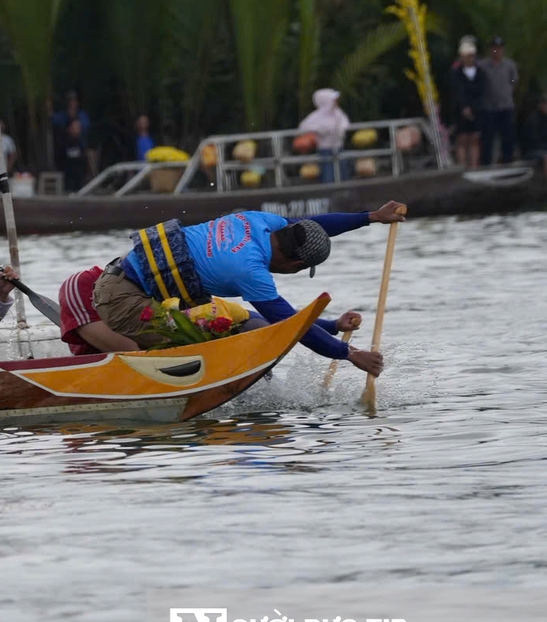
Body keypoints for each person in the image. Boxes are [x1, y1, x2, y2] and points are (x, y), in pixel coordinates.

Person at [84, 204, 401, 375]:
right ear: (293, 264)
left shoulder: (259, 221)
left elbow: (313, 224)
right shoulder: (250, 270)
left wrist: (371, 217)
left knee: (250, 325)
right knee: (246, 335)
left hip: (128, 285)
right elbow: (291, 327)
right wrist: (348, 354)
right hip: (123, 301)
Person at [298, 87, 351, 182]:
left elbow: (345, 124)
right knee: (328, 174)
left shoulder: (338, 113)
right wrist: (321, 130)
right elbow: (304, 127)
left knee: (342, 173)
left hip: (339, 148)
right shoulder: (315, 117)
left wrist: (338, 130)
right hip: (325, 150)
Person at [482, 37, 520, 164]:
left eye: (499, 49)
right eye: (494, 49)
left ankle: (507, 161)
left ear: (503, 50)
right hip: (489, 107)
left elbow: (514, 81)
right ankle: (486, 164)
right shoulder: (483, 66)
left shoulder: (509, 65)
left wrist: (507, 90)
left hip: (506, 106)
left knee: (508, 137)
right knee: (488, 138)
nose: (496, 51)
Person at [449, 38, 485, 168]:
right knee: (462, 139)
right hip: (460, 111)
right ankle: (462, 168)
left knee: (474, 139)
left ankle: (474, 166)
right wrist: (464, 107)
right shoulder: (456, 73)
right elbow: (457, 92)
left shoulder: (480, 73)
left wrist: (474, 108)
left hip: (476, 110)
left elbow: (482, 92)